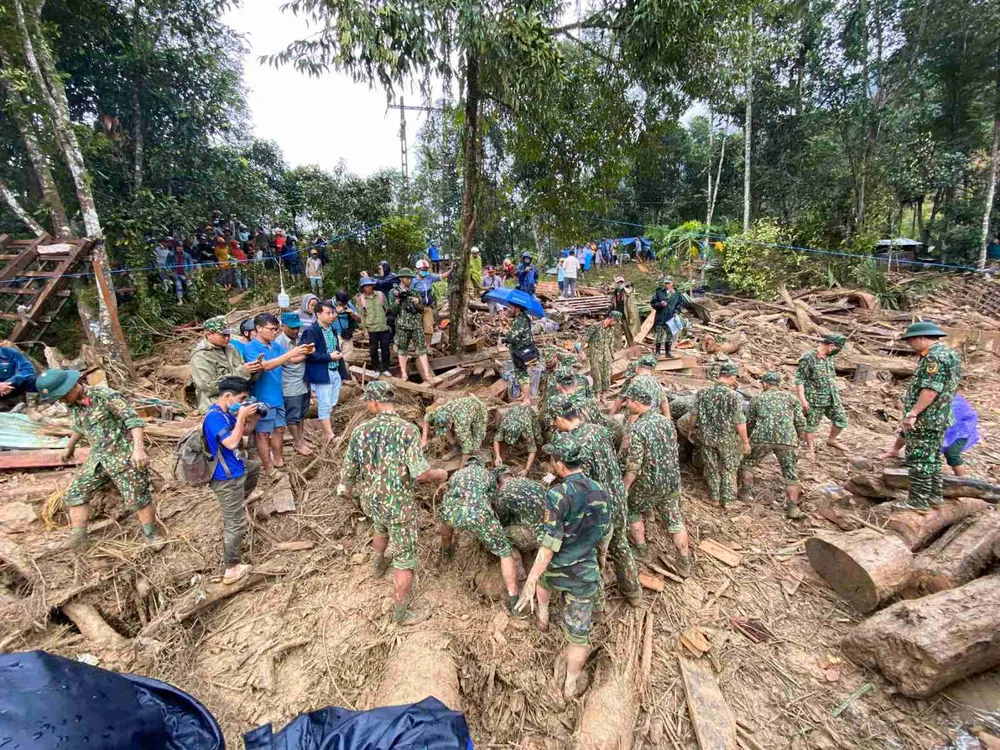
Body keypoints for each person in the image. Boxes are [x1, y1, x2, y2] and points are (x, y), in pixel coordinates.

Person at [338, 381, 447, 624]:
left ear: (375, 402)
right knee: (405, 557)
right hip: (399, 506)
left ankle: (377, 567)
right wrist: (440, 474)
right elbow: (421, 474)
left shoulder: (360, 432)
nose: (367, 405)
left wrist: (347, 490)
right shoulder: (407, 431)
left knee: (380, 527)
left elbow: (348, 473)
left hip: (372, 501)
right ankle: (401, 614)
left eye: (367, 401)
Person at [514, 432, 611, 699]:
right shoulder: (600, 489)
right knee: (578, 637)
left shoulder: (556, 495)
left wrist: (530, 580)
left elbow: (548, 546)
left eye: (552, 460)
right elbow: (606, 533)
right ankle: (570, 686)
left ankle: (543, 619)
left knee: (544, 581)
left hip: (556, 567)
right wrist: (601, 560)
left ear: (559, 463)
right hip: (584, 572)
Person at [36, 369, 165, 551]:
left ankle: (152, 536)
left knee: (138, 497)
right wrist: (70, 446)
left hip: (124, 455)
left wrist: (138, 450)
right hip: (98, 459)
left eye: (62, 396)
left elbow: (133, 420)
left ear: (73, 386)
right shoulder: (73, 405)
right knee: (76, 492)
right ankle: (79, 538)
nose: (62, 401)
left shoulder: (104, 396)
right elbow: (80, 426)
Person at [548, 394, 641, 609]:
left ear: (560, 418)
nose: (553, 425)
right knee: (620, 545)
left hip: (597, 507)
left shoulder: (573, 444)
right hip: (617, 497)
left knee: (591, 555)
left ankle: (597, 608)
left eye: (553, 421)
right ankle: (633, 592)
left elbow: (580, 484)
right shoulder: (599, 430)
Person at [621, 378, 691, 577]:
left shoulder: (638, 428)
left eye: (628, 401)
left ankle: (642, 550)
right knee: (674, 520)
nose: (626, 404)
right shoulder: (666, 422)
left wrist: (625, 487)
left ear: (637, 402)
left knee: (633, 509)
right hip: (671, 481)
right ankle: (684, 561)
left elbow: (634, 465)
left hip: (649, 483)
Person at [439, 456, 525, 617]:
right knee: (505, 552)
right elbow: (494, 500)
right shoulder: (487, 475)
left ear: (467, 464)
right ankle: (514, 601)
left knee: (446, 521)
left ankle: (445, 551)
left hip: (452, 511)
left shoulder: (457, 474)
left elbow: (449, 492)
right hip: (479, 515)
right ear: (481, 464)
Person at [890, 322, 962, 511]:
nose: (910, 345)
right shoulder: (949, 354)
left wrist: (913, 413)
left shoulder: (933, 358)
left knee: (919, 459)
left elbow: (930, 389)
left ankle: (917, 502)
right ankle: (933, 497)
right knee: (932, 459)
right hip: (939, 416)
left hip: (926, 418)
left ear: (921, 338)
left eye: (911, 341)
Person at [203, 376, 261, 584]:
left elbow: (244, 432)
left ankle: (242, 498)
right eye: (241, 398)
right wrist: (242, 415)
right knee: (235, 524)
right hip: (225, 478)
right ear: (228, 396)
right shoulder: (214, 418)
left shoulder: (225, 413)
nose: (242, 403)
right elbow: (232, 442)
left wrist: (253, 417)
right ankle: (231, 568)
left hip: (237, 469)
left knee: (254, 467)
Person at [244, 313, 311, 472]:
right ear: (259, 328)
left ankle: (278, 460)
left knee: (280, 429)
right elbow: (266, 366)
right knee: (263, 434)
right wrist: (290, 353)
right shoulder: (251, 348)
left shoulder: (275, 346)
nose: (275, 332)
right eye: (271, 329)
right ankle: (269, 468)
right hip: (262, 397)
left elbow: (291, 360)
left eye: (276, 329)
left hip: (278, 395)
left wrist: (305, 351)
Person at [740, 372, 807, 519]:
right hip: (787, 439)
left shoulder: (757, 399)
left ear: (765, 384)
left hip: (762, 437)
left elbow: (749, 422)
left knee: (748, 463)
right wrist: (799, 439)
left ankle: (746, 494)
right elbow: (800, 422)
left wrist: (746, 439)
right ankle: (792, 508)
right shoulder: (792, 398)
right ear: (779, 384)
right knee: (790, 473)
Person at [690, 362, 750, 510]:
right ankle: (729, 501)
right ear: (732, 377)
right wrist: (745, 441)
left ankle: (715, 498)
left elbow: (694, 413)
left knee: (711, 467)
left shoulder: (702, 392)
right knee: (729, 468)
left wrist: (692, 429)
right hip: (727, 439)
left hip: (706, 437)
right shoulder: (735, 396)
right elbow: (739, 421)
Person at [881, 393, 978, 477]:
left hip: (960, 430)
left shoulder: (949, 405)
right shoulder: (919, 400)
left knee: (951, 453)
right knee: (909, 430)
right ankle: (895, 451)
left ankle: (961, 480)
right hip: (935, 421)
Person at [300, 301, 348, 442]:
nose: (332, 316)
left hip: (334, 370)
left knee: (332, 402)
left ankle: (326, 429)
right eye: (328, 313)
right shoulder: (311, 331)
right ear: (318, 314)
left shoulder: (332, 330)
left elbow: (336, 350)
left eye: (332, 312)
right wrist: (329, 357)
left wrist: (342, 373)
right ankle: (329, 434)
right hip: (322, 373)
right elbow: (308, 354)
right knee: (324, 404)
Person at [796, 333, 849, 460]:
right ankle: (810, 450)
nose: (839, 352)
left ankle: (832, 440)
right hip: (815, 399)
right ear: (831, 346)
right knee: (811, 426)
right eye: (838, 349)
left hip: (832, 397)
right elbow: (800, 380)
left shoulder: (829, 358)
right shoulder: (808, 357)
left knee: (841, 420)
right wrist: (803, 400)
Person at [190, 316, 258, 413]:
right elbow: (208, 387)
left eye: (228, 334)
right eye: (223, 335)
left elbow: (244, 374)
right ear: (209, 335)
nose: (227, 338)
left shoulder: (231, 349)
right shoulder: (200, 356)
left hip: (238, 404)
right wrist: (242, 372)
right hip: (216, 408)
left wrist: (254, 370)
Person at [390, 268, 435, 383]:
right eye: (407, 278)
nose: (409, 280)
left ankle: (427, 374)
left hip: (416, 325)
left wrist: (417, 302)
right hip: (402, 326)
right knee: (402, 350)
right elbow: (393, 311)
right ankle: (404, 374)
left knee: (422, 350)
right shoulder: (393, 292)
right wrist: (398, 300)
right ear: (401, 278)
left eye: (410, 278)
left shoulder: (415, 292)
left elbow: (421, 309)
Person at [276, 312, 312, 456]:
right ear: (283, 326)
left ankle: (300, 439)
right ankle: (297, 442)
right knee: (293, 416)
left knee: (302, 413)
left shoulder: (299, 338)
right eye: (292, 328)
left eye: (297, 327)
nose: (296, 331)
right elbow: (290, 360)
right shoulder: (279, 342)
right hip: (290, 385)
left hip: (303, 382)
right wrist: (307, 354)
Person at [422, 395, 488, 465]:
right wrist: (424, 439)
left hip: (479, 411)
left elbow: (467, 446)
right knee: (444, 429)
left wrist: (461, 468)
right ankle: (456, 448)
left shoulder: (461, 423)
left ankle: (469, 458)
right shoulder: (440, 410)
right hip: (463, 406)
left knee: (474, 447)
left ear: (451, 423)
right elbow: (427, 418)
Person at [493, 388, 543, 474]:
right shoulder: (504, 424)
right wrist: (497, 456)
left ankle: (535, 460)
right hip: (513, 413)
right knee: (503, 441)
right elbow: (496, 440)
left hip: (529, 416)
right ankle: (502, 459)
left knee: (538, 439)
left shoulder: (526, 428)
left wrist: (526, 470)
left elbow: (532, 450)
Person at [610, 354, 670, 419]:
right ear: (653, 370)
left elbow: (634, 412)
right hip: (654, 419)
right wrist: (667, 419)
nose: (631, 378)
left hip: (640, 420)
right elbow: (664, 402)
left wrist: (609, 418)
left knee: (616, 417)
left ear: (637, 368)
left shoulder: (635, 383)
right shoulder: (656, 382)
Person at [356, 276, 392, 375]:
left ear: (373, 286)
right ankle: (376, 369)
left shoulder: (380, 295)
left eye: (369, 285)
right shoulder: (361, 299)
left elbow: (387, 308)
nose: (368, 288)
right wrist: (364, 330)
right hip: (371, 329)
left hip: (383, 327)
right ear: (362, 288)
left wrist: (388, 322)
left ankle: (385, 369)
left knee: (386, 349)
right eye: (365, 286)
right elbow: (361, 316)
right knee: (373, 350)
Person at [412, 259, 450, 348]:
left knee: (429, 328)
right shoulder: (413, 281)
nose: (424, 271)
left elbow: (442, 276)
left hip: (428, 307)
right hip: (416, 308)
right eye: (423, 269)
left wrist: (451, 270)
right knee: (416, 328)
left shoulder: (429, 277)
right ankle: (417, 346)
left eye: (426, 269)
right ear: (417, 269)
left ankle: (428, 347)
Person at [583, 310, 620, 400]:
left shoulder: (611, 329)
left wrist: (612, 355)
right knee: (596, 375)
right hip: (595, 354)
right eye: (616, 321)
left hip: (606, 355)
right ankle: (597, 395)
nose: (616, 324)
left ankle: (604, 396)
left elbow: (611, 342)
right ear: (612, 319)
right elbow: (585, 339)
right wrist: (581, 352)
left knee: (606, 375)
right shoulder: (595, 327)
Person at [504, 300, 536, 391]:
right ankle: (524, 394)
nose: (509, 309)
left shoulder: (521, 320)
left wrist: (505, 331)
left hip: (521, 351)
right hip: (519, 350)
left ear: (517, 308)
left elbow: (513, 338)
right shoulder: (519, 318)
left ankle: (526, 397)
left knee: (522, 374)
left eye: (511, 307)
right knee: (519, 373)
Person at [650, 277, 682, 359]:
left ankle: (668, 352)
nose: (666, 285)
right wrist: (660, 304)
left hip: (671, 318)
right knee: (659, 336)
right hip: (660, 317)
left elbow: (679, 305)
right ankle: (657, 352)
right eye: (665, 283)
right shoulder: (659, 292)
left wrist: (676, 312)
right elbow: (653, 303)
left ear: (672, 284)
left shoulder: (677, 293)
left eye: (668, 283)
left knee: (669, 336)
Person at [0, 345, 37, 411]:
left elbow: (28, 369)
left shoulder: (10, 352)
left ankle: (32, 406)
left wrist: (10, 382)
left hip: (11, 386)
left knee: (32, 379)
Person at [331, 291, 360, 358]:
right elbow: (326, 321)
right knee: (335, 357)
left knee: (347, 358)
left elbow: (359, 320)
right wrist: (337, 312)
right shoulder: (328, 304)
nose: (343, 306)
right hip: (333, 335)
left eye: (344, 304)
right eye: (341, 304)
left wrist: (352, 314)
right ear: (335, 299)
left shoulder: (348, 304)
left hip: (347, 334)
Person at [611, 276, 638, 346]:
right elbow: (613, 304)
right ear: (616, 283)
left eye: (621, 282)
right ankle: (617, 350)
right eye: (618, 282)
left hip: (625, 316)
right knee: (617, 335)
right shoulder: (615, 293)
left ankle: (631, 348)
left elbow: (631, 306)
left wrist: (632, 317)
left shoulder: (627, 293)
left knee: (629, 334)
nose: (620, 284)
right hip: (617, 316)